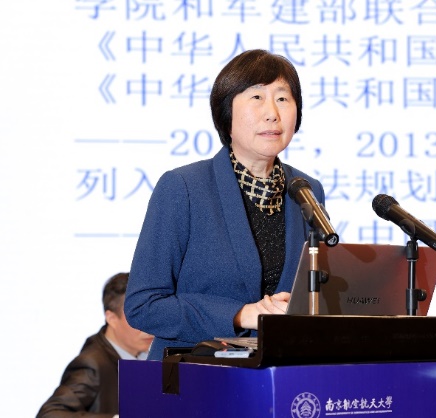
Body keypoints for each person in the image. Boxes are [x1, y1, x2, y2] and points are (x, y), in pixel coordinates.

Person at [124, 49, 327, 360]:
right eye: (256, 97)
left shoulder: (306, 190)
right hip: (195, 373)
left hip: (279, 373)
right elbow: (144, 305)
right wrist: (239, 314)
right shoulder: (184, 188)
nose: (272, 112)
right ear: (226, 112)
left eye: (283, 98)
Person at [37, 273, 154, 418]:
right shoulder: (92, 365)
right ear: (112, 318)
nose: (149, 328)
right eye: (137, 318)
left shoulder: (152, 354)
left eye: (152, 317)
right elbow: (49, 414)